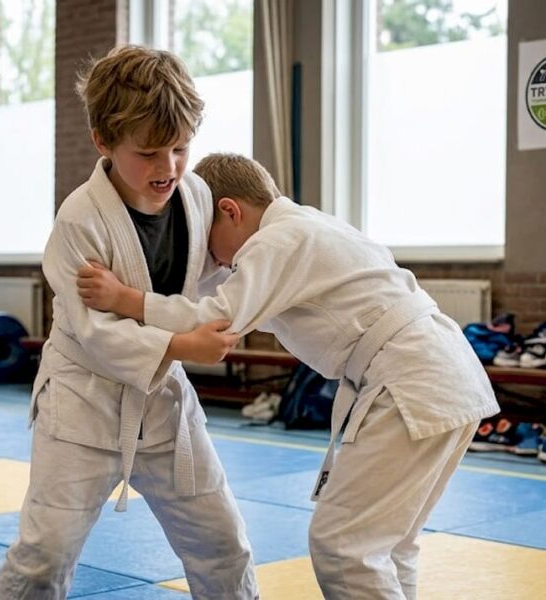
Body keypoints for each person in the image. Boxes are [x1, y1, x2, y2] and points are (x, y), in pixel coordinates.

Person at [77, 153, 500, 600]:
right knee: (388, 545)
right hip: (443, 372)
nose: (214, 262)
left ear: (229, 210)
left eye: (207, 242)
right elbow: (213, 294)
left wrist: (125, 298)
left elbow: (216, 316)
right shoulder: (310, 227)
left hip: (414, 377)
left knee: (343, 547)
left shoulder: (278, 241)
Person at [0, 49, 259, 600]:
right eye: (149, 152)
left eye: (181, 148)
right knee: (44, 556)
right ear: (103, 141)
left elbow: (203, 283)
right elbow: (99, 335)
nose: (168, 168)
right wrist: (185, 342)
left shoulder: (198, 195)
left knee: (224, 544)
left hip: (163, 407)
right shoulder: (79, 221)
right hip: (83, 407)